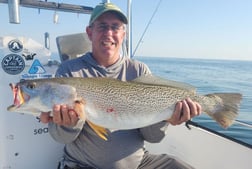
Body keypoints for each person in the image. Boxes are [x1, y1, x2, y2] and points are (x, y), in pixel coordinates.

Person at [40, 3, 201, 169]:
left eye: (115, 27)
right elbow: (61, 138)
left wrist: (166, 118)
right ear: (90, 32)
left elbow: (152, 137)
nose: (108, 33)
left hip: (140, 164)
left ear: (123, 34)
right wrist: (68, 124)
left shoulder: (138, 70)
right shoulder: (69, 71)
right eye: (102, 26)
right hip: (82, 165)